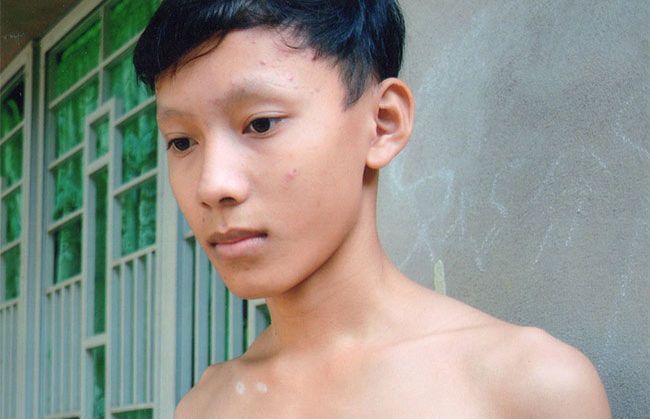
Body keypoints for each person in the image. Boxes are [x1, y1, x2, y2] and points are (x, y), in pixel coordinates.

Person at [134, 0, 610, 417]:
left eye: (261, 124)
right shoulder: (204, 406)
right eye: (181, 142)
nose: (212, 185)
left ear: (383, 123)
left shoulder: (528, 388)